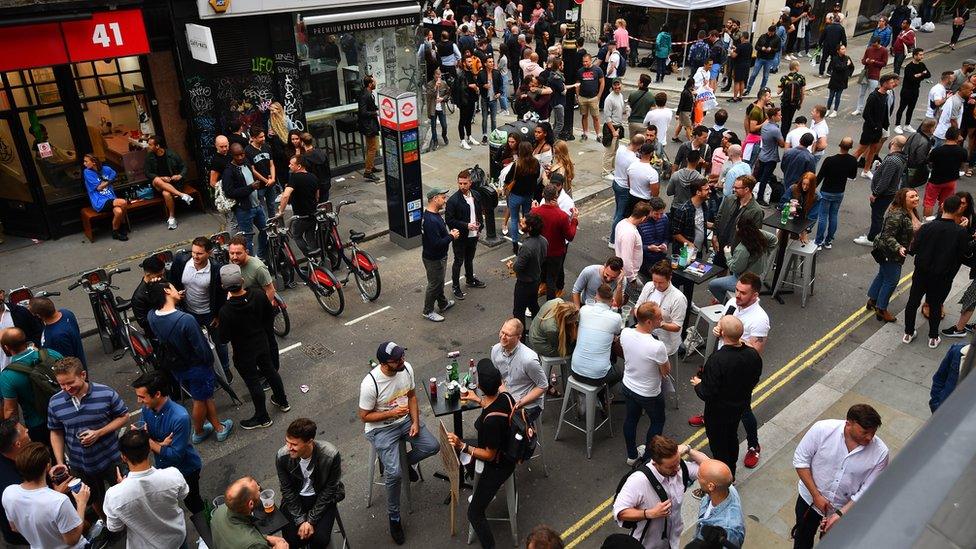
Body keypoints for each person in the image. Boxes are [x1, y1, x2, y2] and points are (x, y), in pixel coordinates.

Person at [359, 342, 440, 544]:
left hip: (404, 422)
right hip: (381, 430)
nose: (403, 360)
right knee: (394, 474)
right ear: (386, 363)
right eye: (398, 359)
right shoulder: (370, 384)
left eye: (402, 356)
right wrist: (390, 413)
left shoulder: (406, 368)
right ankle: (394, 517)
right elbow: (364, 416)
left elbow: (412, 397)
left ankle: (405, 463)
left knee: (433, 446)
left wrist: (415, 422)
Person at [146, 280, 234, 442]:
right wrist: (209, 363)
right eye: (172, 288)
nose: (176, 290)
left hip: (176, 366)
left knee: (205, 396)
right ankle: (199, 431)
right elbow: (202, 349)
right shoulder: (185, 320)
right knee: (200, 399)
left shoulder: (152, 316)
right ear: (167, 291)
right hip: (196, 367)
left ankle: (218, 427)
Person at [791, 404, 889, 549]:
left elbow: (868, 489)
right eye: (864, 432)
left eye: (873, 433)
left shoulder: (881, 453)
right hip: (809, 501)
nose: (870, 437)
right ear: (849, 423)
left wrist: (840, 514)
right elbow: (800, 461)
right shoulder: (822, 430)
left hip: (845, 509)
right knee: (802, 541)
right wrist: (816, 496)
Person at [445, 360, 517, 549]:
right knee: (458, 447)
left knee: (474, 513)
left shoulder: (491, 422)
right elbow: (491, 404)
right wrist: (476, 399)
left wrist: (463, 446)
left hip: (499, 464)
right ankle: (472, 473)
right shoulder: (506, 396)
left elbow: (489, 455)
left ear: (480, 386)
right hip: (506, 446)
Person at [48, 357, 128, 518]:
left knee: (124, 493)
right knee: (92, 498)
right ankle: (106, 522)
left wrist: (99, 432)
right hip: (79, 463)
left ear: (83, 375)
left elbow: (124, 416)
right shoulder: (55, 403)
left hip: (112, 458)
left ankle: (128, 519)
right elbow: (56, 431)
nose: (66, 388)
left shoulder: (106, 393)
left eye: (70, 382)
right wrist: (60, 462)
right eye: (61, 384)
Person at [218, 264, 291, 428]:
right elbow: (268, 316)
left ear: (224, 287)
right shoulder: (258, 295)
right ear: (242, 281)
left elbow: (224, 337)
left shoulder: (226, 311)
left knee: (253, 383)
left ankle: (262, 417)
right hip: (262, 342)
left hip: (244, 351)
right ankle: (282, 401)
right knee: (271, 372)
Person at [692, 315, 762, 479]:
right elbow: (755, 378)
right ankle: (731, 471)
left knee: (719, 446)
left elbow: (707, 392)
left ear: (722, 332)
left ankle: (724, 479)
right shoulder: (752, 355)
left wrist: (697, 384)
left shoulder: (717, 360)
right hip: (739, 407)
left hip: (718, 413)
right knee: (731, 438)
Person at [902, 195, 974, 348]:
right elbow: (966, 253)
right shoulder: (959, 232)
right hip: (943, 276)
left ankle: (908, 333)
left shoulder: (927, 227)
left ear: (942, 207)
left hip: (921, 273)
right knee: (936, 305)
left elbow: (913, 249)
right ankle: (933, 337)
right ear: (957, 210)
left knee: (913, 302)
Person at [612, 436, 708, 549]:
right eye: (671, 467)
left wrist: (688, 449)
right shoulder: (638, 480)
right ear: (655, 463)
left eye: (678, 462)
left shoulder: (679, 467)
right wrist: (650, 513)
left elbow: (713, 469)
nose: (677, 469)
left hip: (673, 540)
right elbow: (619, 512)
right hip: (646, 544)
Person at [131, 371, 204, 515]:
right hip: (163, 468)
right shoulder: (147, 410)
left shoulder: (180, 417)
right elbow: (145, 435)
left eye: (142, 397)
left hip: (186, 470)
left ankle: (206, 532)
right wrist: (158, 443)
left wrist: (150, 442)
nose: (139, 401)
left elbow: (175, 455)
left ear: (157, 394)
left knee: (193, 503)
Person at [102, 429, 190, 548]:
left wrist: (122, 487)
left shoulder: (114, 495)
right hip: (176, 539)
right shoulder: (173, 475)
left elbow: (115, 527)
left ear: (123, 457)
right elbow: (183, 494)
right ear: (149, 449)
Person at [2, 442, 89, 549]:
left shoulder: (9, 493)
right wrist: (81, 503)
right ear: (48, 466)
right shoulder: (59, 501)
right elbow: (73, 539)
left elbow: (14, 527)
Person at [276, 418, 344, 548]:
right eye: (287, 442)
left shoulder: (330, 455)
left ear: (309, 442)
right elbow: (287, 490)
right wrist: (301, 521)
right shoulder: (282, 456)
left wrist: (311, 521)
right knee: (291, 540)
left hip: (321, 497)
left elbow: (330, 490)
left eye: (294, 444)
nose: (289, 448)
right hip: (296, 498)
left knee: (320, 540)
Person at [168, 236, 230, 377]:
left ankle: (225, 370)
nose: (195, 256)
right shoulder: (181, 261)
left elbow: (222, 294)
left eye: (200, 253)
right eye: (194, 252)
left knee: (219, 344)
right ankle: (208, 372)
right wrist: (177, 294)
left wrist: (218, 315)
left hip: (209, 313)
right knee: (196, 346)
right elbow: (171, 281)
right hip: (189, 314)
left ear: (209, 253)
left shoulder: (216, 269)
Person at [618, 301, 671, 466]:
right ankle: (649, 457)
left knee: (631, 419)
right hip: (649, 393)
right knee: (657, 421)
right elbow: (665, 372)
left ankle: (632, 456)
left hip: (628, 386)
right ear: (649, 322)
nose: (661, 322)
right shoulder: (657, 346)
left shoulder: (625, 333)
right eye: (659, 318)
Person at [0, 328, 62, 445]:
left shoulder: (7, 376)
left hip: (38, 424)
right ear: (25, 341)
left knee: (49, 458)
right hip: (64, 410)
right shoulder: (50, 354)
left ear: (6, 347)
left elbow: (11, 411)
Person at [867, 188, 920, 323]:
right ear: (903, 200)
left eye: (916, 195)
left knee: (883, 275)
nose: (916, 198)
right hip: (889, 252)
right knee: (892, 280)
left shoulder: (910, 211)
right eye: (912, 197)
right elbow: (887, 236)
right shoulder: (897, 215)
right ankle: (881, 308)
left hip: (895, 251)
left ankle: (873, 300)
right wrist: (899, 247)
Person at [570, 283, 623, 400]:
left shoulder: (584, 310)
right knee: (619, 372)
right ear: (612, 300)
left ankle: (586, 395)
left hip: (574, 370)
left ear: (595, 297)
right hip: (598, 377)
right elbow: (617, 332)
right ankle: (600, 395)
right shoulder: (616, 318)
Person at [854, 135, 908, 247]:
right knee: (878, 215)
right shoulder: (899, 158)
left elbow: (885, 181)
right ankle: (874, 234)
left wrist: (875, 193)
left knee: (877, 216)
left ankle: (872, 238)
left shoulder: (892, 160)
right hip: (889, 192)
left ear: (893, 142)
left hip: (884, 194)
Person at [492, 318, 548, 424]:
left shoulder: (529, 359)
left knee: (503, 426)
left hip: (528, 404)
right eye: (502, 332)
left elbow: (543, 386)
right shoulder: (495, 350)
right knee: (484, 422)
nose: (503, 337)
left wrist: (520, 403)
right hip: (507, 396)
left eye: (508, 335)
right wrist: (505, 395)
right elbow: (497, 376)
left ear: (518, 337)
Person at [210, 477, 289, 549]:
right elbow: (249, 542)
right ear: (250, 504)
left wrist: (265, 538)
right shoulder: (254, 544)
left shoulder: (218, 512)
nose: (259, 488)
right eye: (258, 490)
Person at [446, 170, 488, 301]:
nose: (462, 186)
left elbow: (479, 213)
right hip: (461, 236)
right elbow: (449, 220)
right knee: (458, 261)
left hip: (473, 235)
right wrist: (466, 225)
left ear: (470, 183)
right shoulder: (453, 201)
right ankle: (455, 286)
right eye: (460, 183)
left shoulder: (475, 195)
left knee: (469, 259)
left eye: (465, 183)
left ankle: (470, 279)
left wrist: (480, 226)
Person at [709, 218, 776, 301]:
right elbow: (774, 239)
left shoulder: (742, 249)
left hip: (744, 280)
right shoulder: (760, 236)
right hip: (759, 276)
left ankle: (728, 304)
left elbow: (735, 268)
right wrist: (767, 252)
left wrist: (727, 254)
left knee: (713, 285)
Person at [222, 143, 269, 259]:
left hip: (257, 205)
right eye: (237, 155)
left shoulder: (246, 163)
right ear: (232, 155)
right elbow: (230, 192)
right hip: (244, 209)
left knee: (265, 230)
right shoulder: (229, 171)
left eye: (242, 154)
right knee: (247, 238)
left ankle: (260, 256)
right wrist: (250, 187)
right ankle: (250, 261)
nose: (240, 157)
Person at [532, 184, 578, 300]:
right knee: (551, 280)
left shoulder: (535, 212)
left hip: (540, 251)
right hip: (556, 253)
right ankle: (549, 306)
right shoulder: (561, 216)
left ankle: (532, 302)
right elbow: (570, 236)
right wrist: (574, 220)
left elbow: (530, 228)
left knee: (538, 276)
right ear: (556, 197)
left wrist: (533, 208)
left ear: (543, 195)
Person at [853, 74, 901, 181]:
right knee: (860, 151)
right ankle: (847, 169)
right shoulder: (873, 96)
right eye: (890, 82)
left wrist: (884, 125)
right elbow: (866, 114)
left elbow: (884, 113)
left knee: (873, 150)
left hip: (879, 129)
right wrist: (874, 126)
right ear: (884, 83)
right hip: (870, 129)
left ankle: (866, 171)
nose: (893, 84)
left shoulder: (885, 95)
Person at [712, 174, 763, 268]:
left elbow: (755, 236)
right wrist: (714, 235)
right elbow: (719, 217)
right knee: (718, 269)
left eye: (737, 187)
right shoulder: (730, 199)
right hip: (722, 243)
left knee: (734, 275)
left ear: (747, 189)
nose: (734, 189)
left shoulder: (756, 211)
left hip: (738, 250)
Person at [815, 137, 858, 249]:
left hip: (826, 190)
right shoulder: (852, 160)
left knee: (823, 216)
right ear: (850, 147)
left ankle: (818, 241)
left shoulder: (830, 160)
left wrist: (812, 188)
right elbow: (852, 176)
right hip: (839, 192)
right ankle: (828, 241)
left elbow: (820, 176)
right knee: (833, 215)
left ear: (840, 145)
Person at [692, 459, 745, 547]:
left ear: (711, 486)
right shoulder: (725, 485)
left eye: (699, 476)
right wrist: (688, 450)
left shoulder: (727, 529)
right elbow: (708, 465)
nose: (697, 477)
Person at [144, 135, 191, 230]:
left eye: (150, 145)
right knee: (157, 179)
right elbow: (147, 173)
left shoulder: (171, 154)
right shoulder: (149, 157)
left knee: (166, 193)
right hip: (157, 185)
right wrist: (162, 178)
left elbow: (184, 166)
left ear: (157, 146)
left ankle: (172, 218)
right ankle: (182, 195)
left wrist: (179, 176)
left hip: (173, 184)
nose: (148, 146)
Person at [277, 155, 320, 258]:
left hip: (301, 215)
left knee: (297, 236)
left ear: (299, 166)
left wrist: (281, 211)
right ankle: (316, 259)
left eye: (292, 164)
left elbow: (286, 195)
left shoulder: (295, 177)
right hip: (312, 213)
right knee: (310, 236)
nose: (289, 166)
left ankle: (309, 256)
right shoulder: (313, 176)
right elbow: (317, 195)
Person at [509, 212, 548, 326]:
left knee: (518, 311)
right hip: (536, 279)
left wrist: (512, 265)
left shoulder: (526, 247)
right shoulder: (544, 241)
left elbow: (518, 267)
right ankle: (539, 328)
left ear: (530, 228)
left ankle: (520, 339)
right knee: (533, 304)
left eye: (523, 222)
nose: (520, 222)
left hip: (524, 284)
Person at [27, 296, 85, 370]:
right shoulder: (67, 313)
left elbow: (66, 364)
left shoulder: (57, 336)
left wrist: (39, 353)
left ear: (38, 315)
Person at [504, 141, 542, 253]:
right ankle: (527, 240)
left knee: (514, 219)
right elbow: (537, 177)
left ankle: (515, 243)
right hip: (528, 195)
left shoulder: (517, 164)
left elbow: (507, 179)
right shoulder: (535, 163)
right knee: (528, 219)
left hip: (515, 195)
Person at [82, 154, 128, 240]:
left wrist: (107, 181)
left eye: (86, 161)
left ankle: (115, 232)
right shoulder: (87, 172)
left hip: (111, 197)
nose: (84, 163)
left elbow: (114, 173)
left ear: (94, 162)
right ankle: (123, 225)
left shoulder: (106, 169)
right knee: (123, 202)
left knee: (118, 212)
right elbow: (99, 188)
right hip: (100, 201)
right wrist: (109, 181)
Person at [924, 127, 968, 217]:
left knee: (929, 202)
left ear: (946, 136)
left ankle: (926, 222)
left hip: (935, 180)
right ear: (958, 137)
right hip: (951, 181)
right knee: (945, 203)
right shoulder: (962, 151)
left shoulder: (937, 151)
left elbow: (929, 162)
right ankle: (940, 220)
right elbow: (964, 167)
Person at [0, 420, 31, 547]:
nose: (28, 430)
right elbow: (35, 512)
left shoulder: (7, 455)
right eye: (24, 431)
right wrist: (57, 494)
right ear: (18, 444)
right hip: (26, 539)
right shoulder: (13, 485)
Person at [610, 135, 644, 246]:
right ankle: (613, 240)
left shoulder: (620, 149)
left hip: (616, 183)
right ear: (639, 145)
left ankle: (614, 236)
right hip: (624, 188)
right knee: (621, 215)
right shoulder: (634, 160)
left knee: (617, 212)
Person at [615, 201, 650, 301]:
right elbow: (626, 258)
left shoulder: (622, 223)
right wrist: (632, 279)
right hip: (629, 275)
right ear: (643, 218)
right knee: (639, 301)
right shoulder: (630, 233)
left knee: (624, 298)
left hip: (627, 273)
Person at [670, 180, 710, 259]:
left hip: (698, 251)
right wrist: (689, 244)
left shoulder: (704, 206)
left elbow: (700, 223)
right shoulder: (683, 210)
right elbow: (675, 233)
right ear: (698, 192)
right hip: (685, 252)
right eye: (706, 189)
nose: (710, 191)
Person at [129, 255, 166, 338]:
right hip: (156, 334)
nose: (162, 278)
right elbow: (142, 322)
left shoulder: (161, 282)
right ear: (148, 274)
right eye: (159, 275)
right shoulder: (138, 297)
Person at [755, 107, 786, 205]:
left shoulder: (765, 125)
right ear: (773, 116)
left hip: (762, 154)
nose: (781, 116)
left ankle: (755, 192)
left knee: (759, 176)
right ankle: (760, 198)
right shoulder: (775, 130)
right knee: (765, 178)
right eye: (779, 115)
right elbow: (782, 144)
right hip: (770, 158)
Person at [853, 38, 889, 116]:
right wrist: (866, 61)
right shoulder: (869, 49)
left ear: (879, 43)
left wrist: (874, 62)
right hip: (866, 74)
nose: (873, 45)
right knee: (861, 93)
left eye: (875, 44)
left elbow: (884, 63)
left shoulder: (884, 51)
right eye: (872, 44)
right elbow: (863, 60)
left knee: (872, 95)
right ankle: (859, 109)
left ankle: (870, 110)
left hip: (875, 75)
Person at [636, 198, 671, 278]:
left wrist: (664, 244)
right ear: (650, 211)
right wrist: (648, 248)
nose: (659, 216)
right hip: (645, 260)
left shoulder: (665, 219)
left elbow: (667, 237)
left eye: (661, 213)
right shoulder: (640, 223)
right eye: (656, 214)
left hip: (661, 257)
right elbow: (635, 246)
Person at [780, 133, 817, 204]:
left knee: (785, 200)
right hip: (799, 185)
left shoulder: (788, 152)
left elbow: (783, 166)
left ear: (800, 140)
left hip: (787, 179)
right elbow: (811, 174)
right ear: (810, 144)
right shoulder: (810, 158)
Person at [603, 79, 630, 177]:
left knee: (615, 151)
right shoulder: (609, 99)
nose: (617, 87)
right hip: (611, 128)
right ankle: (606, 171)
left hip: (618, 126)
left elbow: (618, 111)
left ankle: (612, 169)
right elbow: (607, 117)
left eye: (618, 85)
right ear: (612, 86)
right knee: (609, 151)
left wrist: (625, 111)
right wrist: (613, 131)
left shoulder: (620, 96)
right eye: (615, 85)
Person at [575, 54, 605, 141]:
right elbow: (578, 84)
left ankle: (598, 134)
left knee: (595, 117)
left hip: (593, 98)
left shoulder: (597, 70)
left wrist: (599, 95)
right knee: (584, 116)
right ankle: (585, 133)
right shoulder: (580, 71)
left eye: (586, 61)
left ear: (590, 60)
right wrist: (578, 95)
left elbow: (602, 82)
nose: (584, 63)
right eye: (583, 61)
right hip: (583, 97)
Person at [934, 81, 971, 148]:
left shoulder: (955, 99)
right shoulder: (956, 102)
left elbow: (941, 112)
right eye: (970, 90)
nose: (971, 92)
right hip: (945, 135)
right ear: (962, 89)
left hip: (942, 132)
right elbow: (953, 120)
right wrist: (958, 135)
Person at [358, 75, 381, 181]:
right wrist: (375, 113)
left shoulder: (368, 93)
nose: (375, 83)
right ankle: (368, 171)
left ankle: (371, 166)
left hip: (371, 124)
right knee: (372, 149)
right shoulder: (365, 95)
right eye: (374, 82)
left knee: (372, 147)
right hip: (369, 126)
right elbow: (363, 112)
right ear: (370, 84)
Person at [745, 26, 780, 95]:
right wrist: (761, 48)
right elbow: (756, 46)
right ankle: (748, 89)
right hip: (760, 57)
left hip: (769, 59)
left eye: (771, 33)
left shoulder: (777, 39)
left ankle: (762, 90)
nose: (770, 34)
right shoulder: (763, 36)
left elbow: (778, 49)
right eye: (769, 32)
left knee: (765, 76)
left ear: (774, 32)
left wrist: (771, 49)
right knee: (754, 74)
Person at [627, 143, 660, 214]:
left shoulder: (632, 166)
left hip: (631, 197)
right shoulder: (652, 172)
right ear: (651, 153)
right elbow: (655, 194)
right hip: (645, 201)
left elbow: (629, 183)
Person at [824, 44, 855, 118]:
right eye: (842, 49)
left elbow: (852, 67)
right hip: (835, 80)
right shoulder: (835, 58)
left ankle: (835, 111)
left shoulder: (847, 58)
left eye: (844, 49)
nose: (844, 50)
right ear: (838, 51)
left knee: (838, 96)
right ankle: (827, 109)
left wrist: (848, 75)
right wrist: (846, 65)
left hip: (842, 80)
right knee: (831, 96)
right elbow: (838, 68)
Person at [457, 55, 480, 149]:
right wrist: (471, 86)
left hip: (471, 99)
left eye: (471, 61)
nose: (471, 63)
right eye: (469, 62)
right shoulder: (461, 74)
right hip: (464, 101)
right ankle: (462, 140)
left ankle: (469, 136)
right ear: (464, 63)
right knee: (462, 120)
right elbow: (460, 88)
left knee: (469, 119)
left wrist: (476, 88)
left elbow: (475, 83)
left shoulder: (471, 73)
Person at [478, 56, 503, 144]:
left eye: (492, 61)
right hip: (485, 98)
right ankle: (484, 135)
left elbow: (501, 85)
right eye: (489, 62)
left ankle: (493, 134)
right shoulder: (481, 73)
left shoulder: (497, 73)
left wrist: (499, 93)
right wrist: (483, 86)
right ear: (485, 64)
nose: (492, 63)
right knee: (484, 118)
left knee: (494, 118)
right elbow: (479, 84)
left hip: (494, 98)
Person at [425, 68, 451, 151]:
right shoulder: (430, 84)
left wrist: (442, 99)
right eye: (437, 76)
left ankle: (444, 135)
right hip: (433, 108)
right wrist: (435, 86)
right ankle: (435, 141)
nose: (438, 77)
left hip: (441, 108)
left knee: (444, 125)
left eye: (439, 76)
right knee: (433, 126)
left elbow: (448, 94)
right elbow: (429, 94)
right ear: (434, 76)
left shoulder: (444, 84)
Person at [778, 60, 806, 132]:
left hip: (785, 103)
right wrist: (800, 103)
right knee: (790, 119)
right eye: (798, 66)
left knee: (784, 121)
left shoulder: (785, 78)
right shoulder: (801, 78)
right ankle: (787, 135)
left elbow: (778, 92)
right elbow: (803, 93)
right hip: (794, 103)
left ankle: (783, 136)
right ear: (796, 67)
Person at [818, 13, 847, 77]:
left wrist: (820, 44)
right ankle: (829, 71)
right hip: (835, 47)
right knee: (833, 59)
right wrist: (844, 46)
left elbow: (822, 37)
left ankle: (821, 72)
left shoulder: (828, 27)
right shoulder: (841, 28)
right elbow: (844, 39)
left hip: (826, 46)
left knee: (823, 59)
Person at [628, 75, 655, 139]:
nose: (637, 81)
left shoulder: (632, 94)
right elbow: (653, 111)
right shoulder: (651, 96)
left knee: (632, 142)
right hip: (643, 123)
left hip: (633, 122)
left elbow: (629, 107)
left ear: (641, 83)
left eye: (639, 80)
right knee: (641, 143)